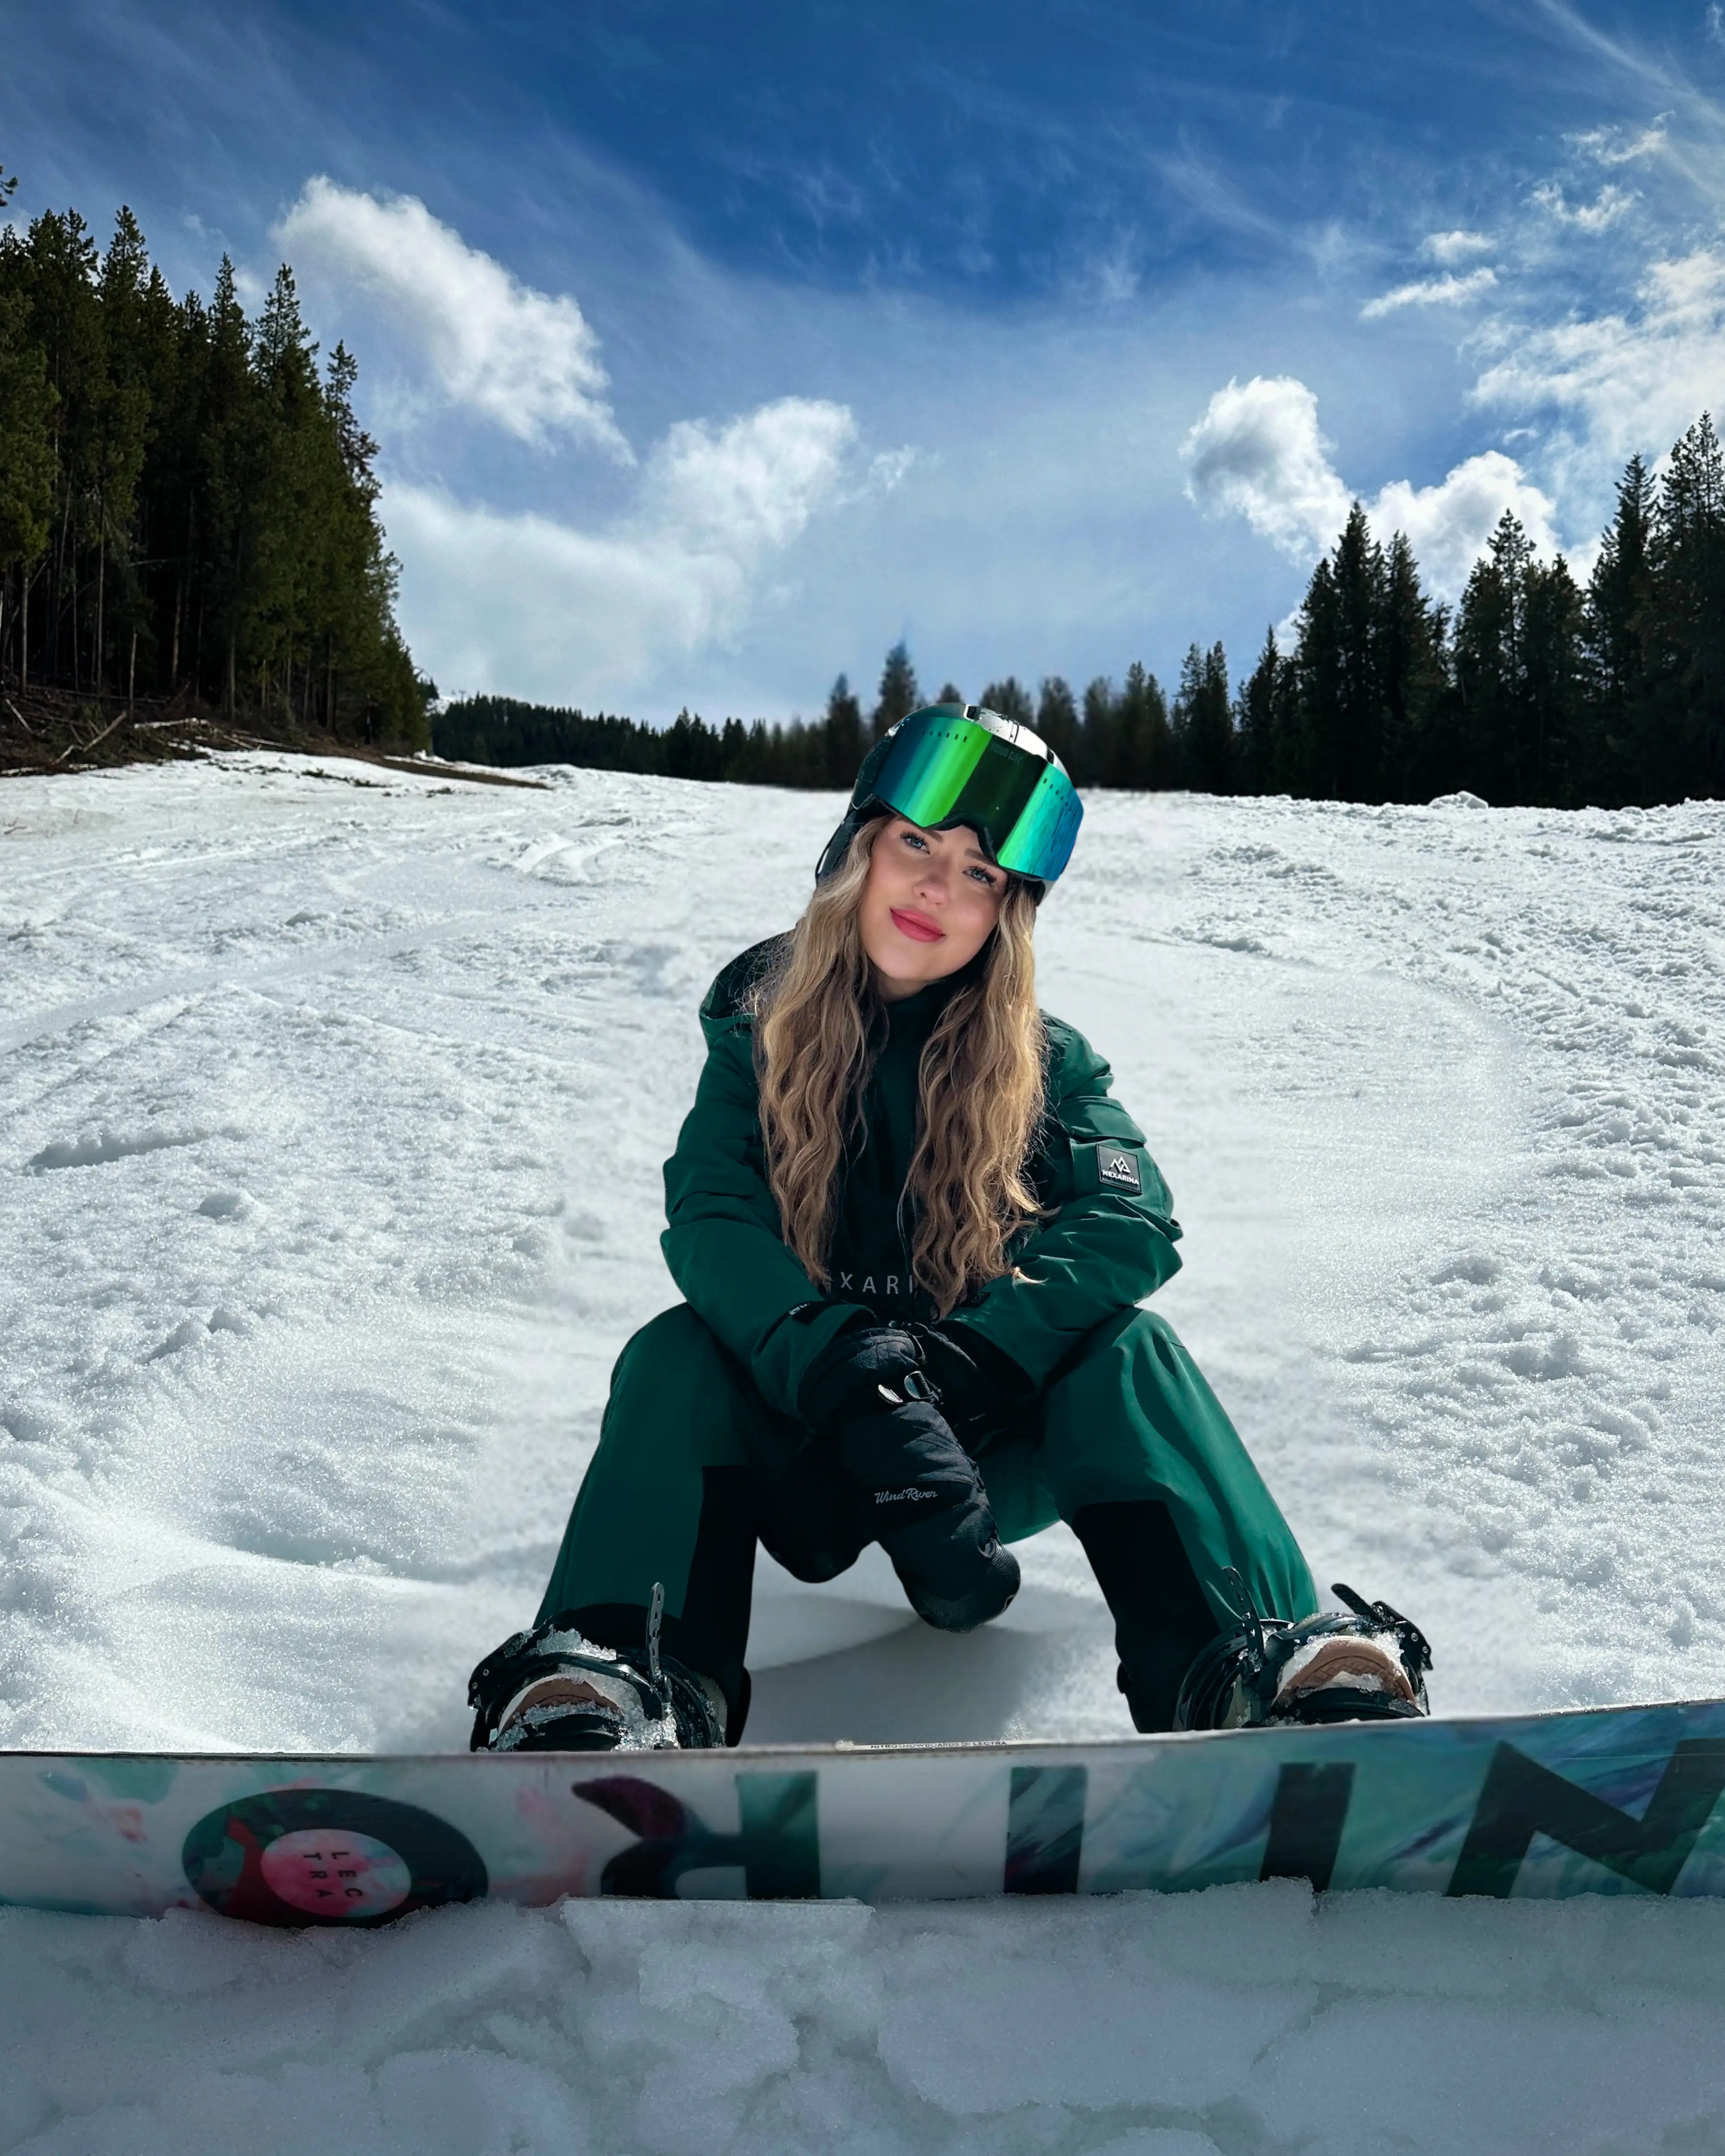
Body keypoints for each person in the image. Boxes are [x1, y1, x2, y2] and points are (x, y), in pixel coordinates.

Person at [467, 705, 1432, 1753]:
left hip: (979, 1441)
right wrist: (842, 1366)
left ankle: (1256, 1665)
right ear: (858, 852)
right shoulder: (758, 1034)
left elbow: (1128, 1216)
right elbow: (714, 1213)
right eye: (917, 845)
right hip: (805, 1432)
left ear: (1006, 914)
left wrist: (964, 1359)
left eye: (979, 874)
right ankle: (623, 1677)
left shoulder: (1048, 1061)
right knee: (674, 1355)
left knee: (1131, 1355)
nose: (937, 887)